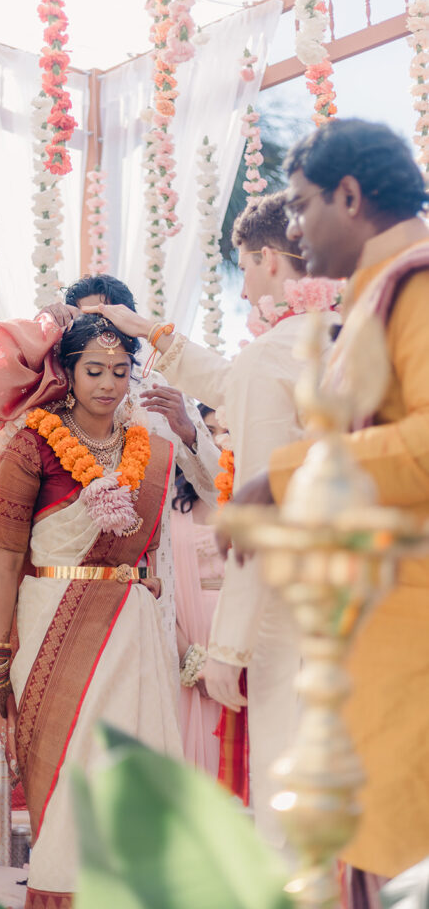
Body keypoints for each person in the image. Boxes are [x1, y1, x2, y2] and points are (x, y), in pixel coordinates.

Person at [84, 193, 341, 851]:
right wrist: (154, 333)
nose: (242, 280)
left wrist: (227, 648)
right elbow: (234, 384)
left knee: (287, 797)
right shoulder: (335, 339)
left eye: (243, 265)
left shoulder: (273, 356)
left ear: (268, 260)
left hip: (290, 607)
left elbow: (258, 511)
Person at [230, 119, 429, 904]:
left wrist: (289, 473)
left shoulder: (415, 284)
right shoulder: (379, 296)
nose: (296, 229)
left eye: (305, 205)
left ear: (350, 196)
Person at [0, 313, 183, 907]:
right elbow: (6, 560)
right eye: (94, 370)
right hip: (48, 626)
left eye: (119, 371)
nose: (108, 384)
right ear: (67, 370)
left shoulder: (153, 451)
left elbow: (156, 554)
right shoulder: (32, 445)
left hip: (132, 627)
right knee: (69, 773)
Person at [63, 274, 219, 656]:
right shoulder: (54, 394)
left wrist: (188, 433)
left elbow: (216, 490)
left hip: (149, 572)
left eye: (105, 320)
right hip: (71, 572)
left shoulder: (159, 390)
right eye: (82, 322)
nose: (95, 332)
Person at [171, 403, 225, 776]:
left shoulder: (248, 502)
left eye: (225, 430)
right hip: (188, 640)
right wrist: (191, 659)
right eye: (208, 429)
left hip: (243, 640)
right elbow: (155, 592)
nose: (219, 439)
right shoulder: (170, 509)